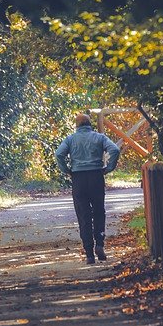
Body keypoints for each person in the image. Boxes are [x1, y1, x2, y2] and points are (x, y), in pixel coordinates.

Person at [55, 113, 121, 264]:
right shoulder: (100, 137)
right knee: (99, 211)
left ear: (76, 125)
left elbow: (59, 154)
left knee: (83, 216)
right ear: (89, 124)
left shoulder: (70, 139)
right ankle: (100, 244)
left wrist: (67, 170)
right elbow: (115, 150)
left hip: (79, 178)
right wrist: (109, 167)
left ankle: (89, 253)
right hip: (96, 177)